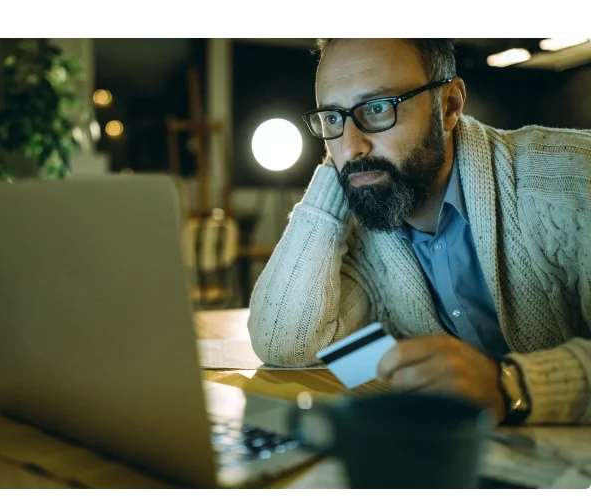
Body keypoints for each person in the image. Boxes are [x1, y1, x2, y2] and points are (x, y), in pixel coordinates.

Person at [247, 36, 591, 426]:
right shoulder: (365, 227)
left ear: (449, 106)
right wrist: (338, 174)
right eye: (332, 117)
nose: (351, 146)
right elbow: (284, 344)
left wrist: (511, 387)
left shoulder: (574, 180)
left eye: (377, 108)